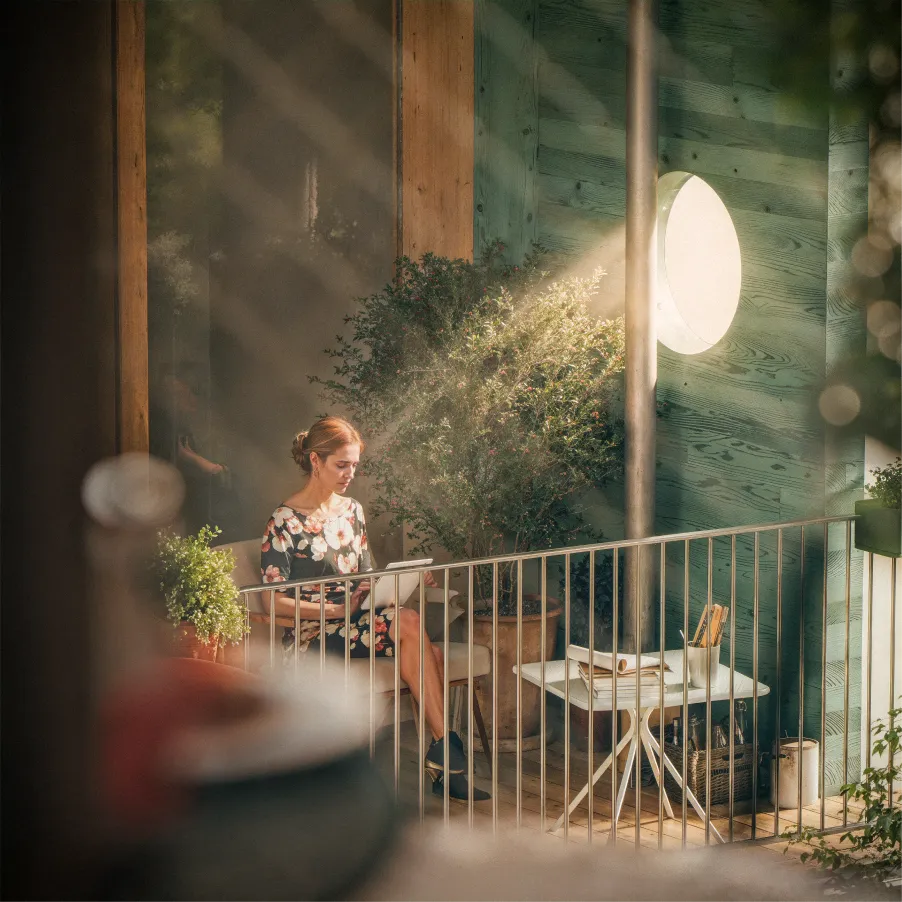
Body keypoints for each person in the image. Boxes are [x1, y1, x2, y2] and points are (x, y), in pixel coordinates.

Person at [260, 416, 488, 802]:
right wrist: (336, 611)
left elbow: (366, 576)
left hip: (357, 623)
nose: (350, 474)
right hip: (311, 635)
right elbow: (272, 602)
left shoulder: (352, 511)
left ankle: (442, 754)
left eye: (354, 465)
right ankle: (446, 757)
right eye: (341, 465)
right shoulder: (283, 522)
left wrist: (403, 580)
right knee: (416, 634)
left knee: (420, 639)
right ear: (315, 460)